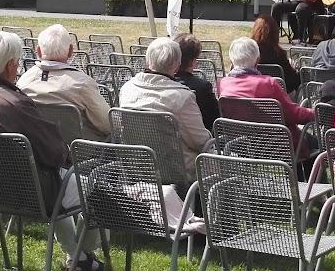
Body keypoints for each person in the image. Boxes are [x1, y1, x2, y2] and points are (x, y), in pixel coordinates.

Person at [0, 29, 100, 271]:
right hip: (33, 193)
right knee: (93, 186)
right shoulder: (13, 103)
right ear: (9, 66)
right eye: (17, 62)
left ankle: (78, 257)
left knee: (58, 180)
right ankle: (83, 253)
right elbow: (54, 153)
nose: (18, 68)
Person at [118, 36, 212, 186]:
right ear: (177, 66)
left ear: (147, 61)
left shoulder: (127, 89)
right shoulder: (182, 97)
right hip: (180, 175)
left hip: (138, 170)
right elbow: (201, 141)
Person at [17, 23, 111, 137]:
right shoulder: (82, 84)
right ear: (71, 51)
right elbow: (108, 125)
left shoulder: (23, 82)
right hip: (79, 151)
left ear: (39, 51)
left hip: (38, 149)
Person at [217, 36, 314, 147]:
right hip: (278, 145)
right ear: (258, 60)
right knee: (318, 145)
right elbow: (292, 114)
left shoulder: (222, 84)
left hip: (241, 145)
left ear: (231, 61)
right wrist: (314, 113)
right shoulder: (268, 83)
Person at [174, 34, 219, 131]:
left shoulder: (163, 83)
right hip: (200, 140)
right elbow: (215, 120)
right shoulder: (202, 87)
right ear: (193, 61)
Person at [251, 13, 299, 94]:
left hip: (253, 94)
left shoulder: (249, 53)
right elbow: (292, 83)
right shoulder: (279, 55)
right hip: (276, 98)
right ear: (275, 33)